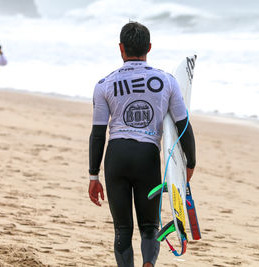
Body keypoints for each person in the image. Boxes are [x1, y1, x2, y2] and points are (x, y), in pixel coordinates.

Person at [88, 22, 196, 267]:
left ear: (120, 48)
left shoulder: (104, 84)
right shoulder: (166, 81)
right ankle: (149, 263)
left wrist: (94, 175)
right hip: (147, 156)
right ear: (149, 47)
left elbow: (97, 134)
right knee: (149, 227)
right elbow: (183, 125)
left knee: (122, 230)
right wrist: (190, 162)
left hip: (116, 156)